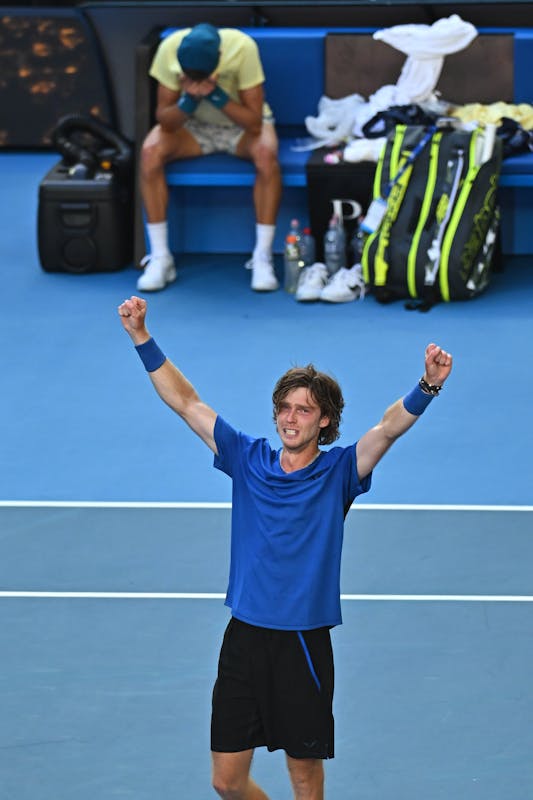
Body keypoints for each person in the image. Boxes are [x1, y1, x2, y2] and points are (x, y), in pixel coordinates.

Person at [117, 294, 453, 800]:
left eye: (304, 410)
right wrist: (141, 336)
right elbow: (186, 401)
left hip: (303, 644)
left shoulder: (340, 472)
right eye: (285, 408)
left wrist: (426, 386)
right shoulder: (245, 457)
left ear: (324, 421)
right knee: (226, 782)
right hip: (245, 637)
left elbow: (388, 429)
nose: (290, 418)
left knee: (303, 776)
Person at [137, 23, 282, 293]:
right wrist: (189, 100)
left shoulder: (242, 47)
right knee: (149, 152)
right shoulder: (168, 49)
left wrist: (215, 95)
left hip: (240, 129)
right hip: (191, 128)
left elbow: (254, 124)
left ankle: (262, 257)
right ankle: (160, 257)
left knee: (265, 153)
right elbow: (166, 122)